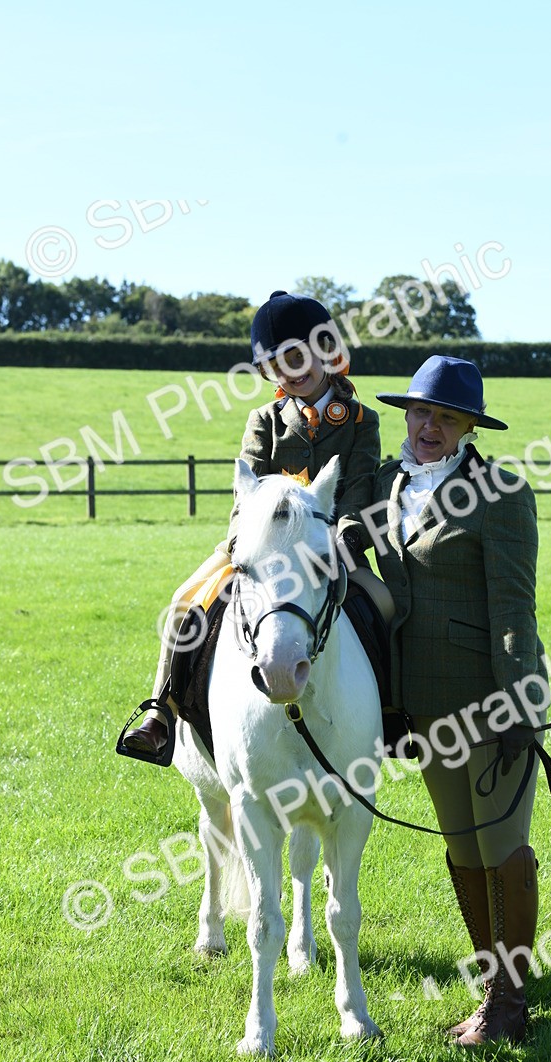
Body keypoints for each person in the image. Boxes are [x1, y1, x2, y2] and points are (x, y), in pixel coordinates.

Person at [123, 290, 389, 761]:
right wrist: (238, 544)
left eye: (296, 356)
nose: (290, 370)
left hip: (333, 550)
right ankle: (160, 709)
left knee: (388, 609)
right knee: (186, 600)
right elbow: (244, 490)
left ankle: (389, 715)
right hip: (260, 553)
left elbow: (359, 488)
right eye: (276, 365)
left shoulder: (362, 422)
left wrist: (344, 538)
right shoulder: (264, 419)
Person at [371, 355, 549, 1048]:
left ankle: (509, 1007)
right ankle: (494, 986)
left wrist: (520, 706)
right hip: (422, 710)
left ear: (469, 426)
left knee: (502, 848)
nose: (430, 427)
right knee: (462, 849)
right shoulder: (388, 486)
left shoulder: (500, 493)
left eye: (447, 417)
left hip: (489, 701)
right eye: (421, 412)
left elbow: (514, 609)